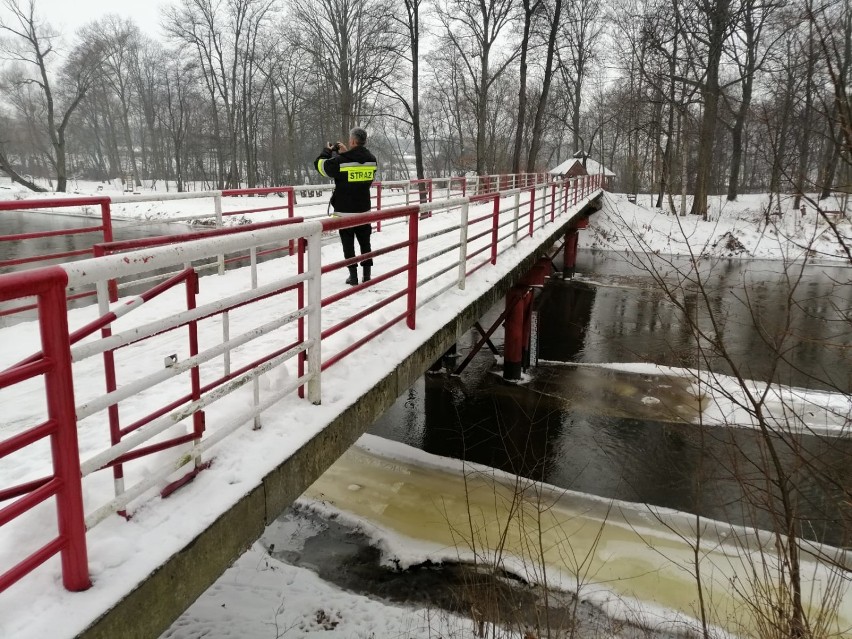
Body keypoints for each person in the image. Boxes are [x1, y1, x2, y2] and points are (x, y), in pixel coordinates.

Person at [315, 127, 378, 286]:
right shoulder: (372, 160)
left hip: (345, 211)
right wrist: (345, 153)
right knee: (365, 243)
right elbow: (359, 171)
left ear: (352, 141)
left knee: (348, 245)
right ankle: (367, 275)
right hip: (364, 209)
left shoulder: (341, 161)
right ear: (364, 141)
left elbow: (320, 166)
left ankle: (353, 277)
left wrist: (327, 151)